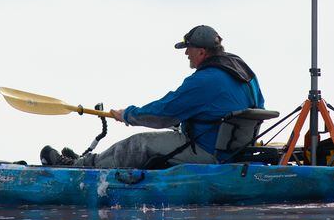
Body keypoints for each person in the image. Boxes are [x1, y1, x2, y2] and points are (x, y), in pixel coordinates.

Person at [40, 25, 264, 169]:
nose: (186, 53)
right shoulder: (241, 69)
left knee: (139, 144)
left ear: (201, 52)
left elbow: (164, 112)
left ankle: (81, 167)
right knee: (169, 134)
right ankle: (90, 160)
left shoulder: (205, 80)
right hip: (233, 149)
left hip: (210, 152)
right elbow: (257, 105)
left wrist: (128, 115)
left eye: (188, 49)